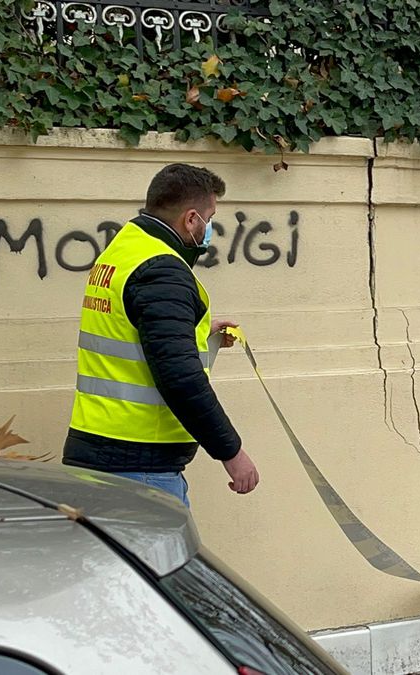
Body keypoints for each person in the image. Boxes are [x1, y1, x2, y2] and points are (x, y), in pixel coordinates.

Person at [62, 163, 259, 507]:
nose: (210, 228)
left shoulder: (123, 250)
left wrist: (195, 330)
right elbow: (180, 377)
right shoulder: (163, 271)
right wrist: (231, 452)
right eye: (209, 218)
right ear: (191, 219)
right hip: (138, 466)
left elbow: (131, 330)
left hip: (101, 449)